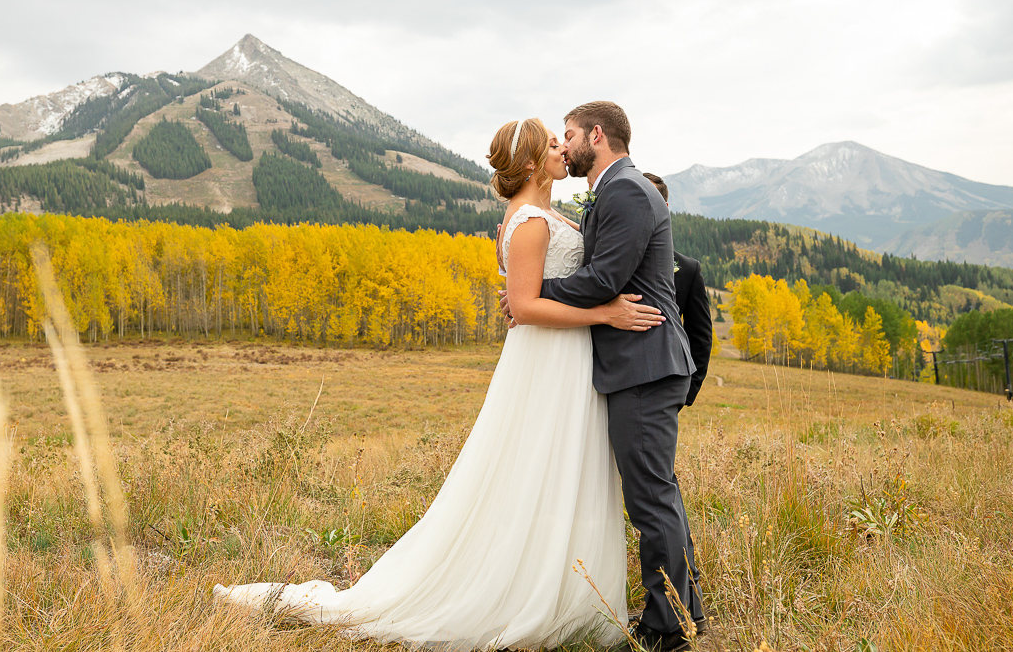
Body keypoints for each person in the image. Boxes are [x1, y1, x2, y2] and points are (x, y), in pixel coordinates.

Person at [214, 118, 654, 650]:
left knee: (558, 468)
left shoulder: (539, 214)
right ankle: (530, 591)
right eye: (556, 144)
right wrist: (606, 315)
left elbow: (535, 291)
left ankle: (561, 586)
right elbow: (525, 306)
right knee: (538, 465)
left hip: (565, 357)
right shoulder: (532, 220)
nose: (566, 150)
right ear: (535, 162)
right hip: (549, 359)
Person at [534, 102, 705, 652]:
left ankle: (667, 628)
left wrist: (533, 295)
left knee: (650, 499)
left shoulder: (627, 190)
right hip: (639, 364)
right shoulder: (615, 190)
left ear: (597, 135)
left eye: (570, 135)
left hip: (645, 364)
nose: (565, 146)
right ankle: (683, 609)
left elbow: (604, 277)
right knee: (658, 494)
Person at [642, 172, 712, 407]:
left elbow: (700, 337)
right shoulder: (610, 260)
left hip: (662, 391)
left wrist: (686, 394)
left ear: (665, 207)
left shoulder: (689, 269)